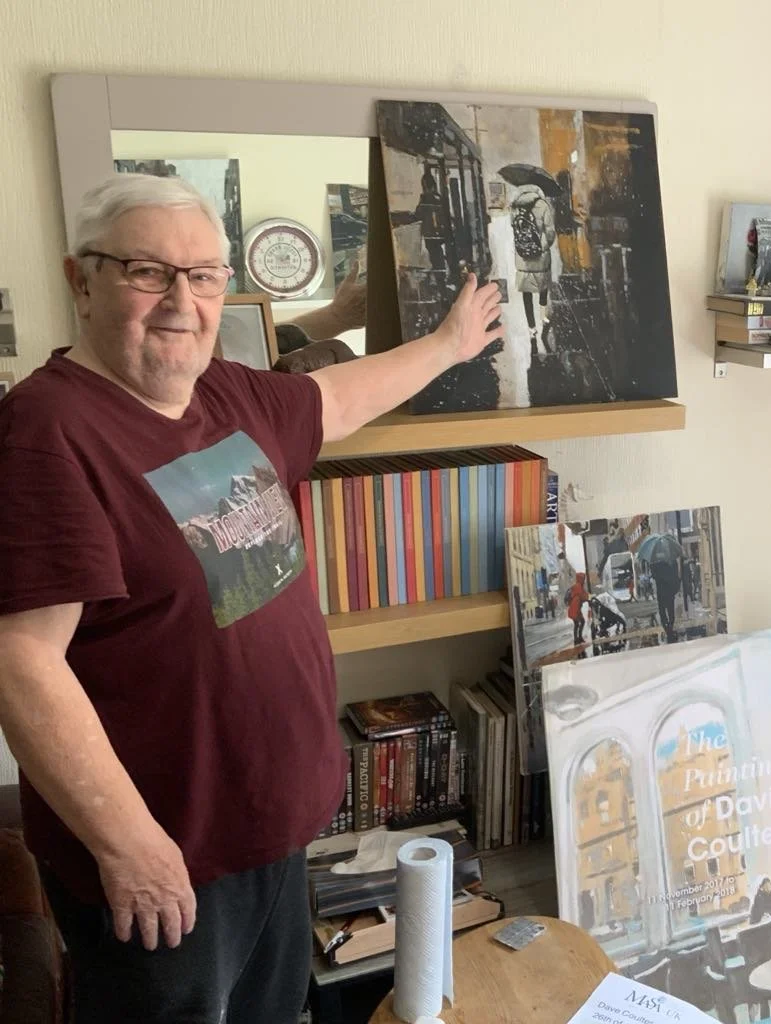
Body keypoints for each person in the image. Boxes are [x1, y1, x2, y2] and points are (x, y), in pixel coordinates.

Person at [0, 172, 502, 1024]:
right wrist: (131, 847)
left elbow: (340, 397)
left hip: (271, 834)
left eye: (203, 276)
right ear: (81, 279)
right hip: (169, 867)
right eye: (148, 272)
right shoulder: (49, 431)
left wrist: (450, 343)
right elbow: (22, 661)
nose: (181, 302)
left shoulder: (227, 393)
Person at [510, 183, 556, 359]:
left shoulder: (515, 205)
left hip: (523, 259)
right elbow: (550, 233)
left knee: (527, 294)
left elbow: (514, 229)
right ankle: (544, 319)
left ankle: (532, 329)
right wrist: (541, 247)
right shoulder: (543, 205)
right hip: (540, 258)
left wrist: (525, 246)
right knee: (543, 290)